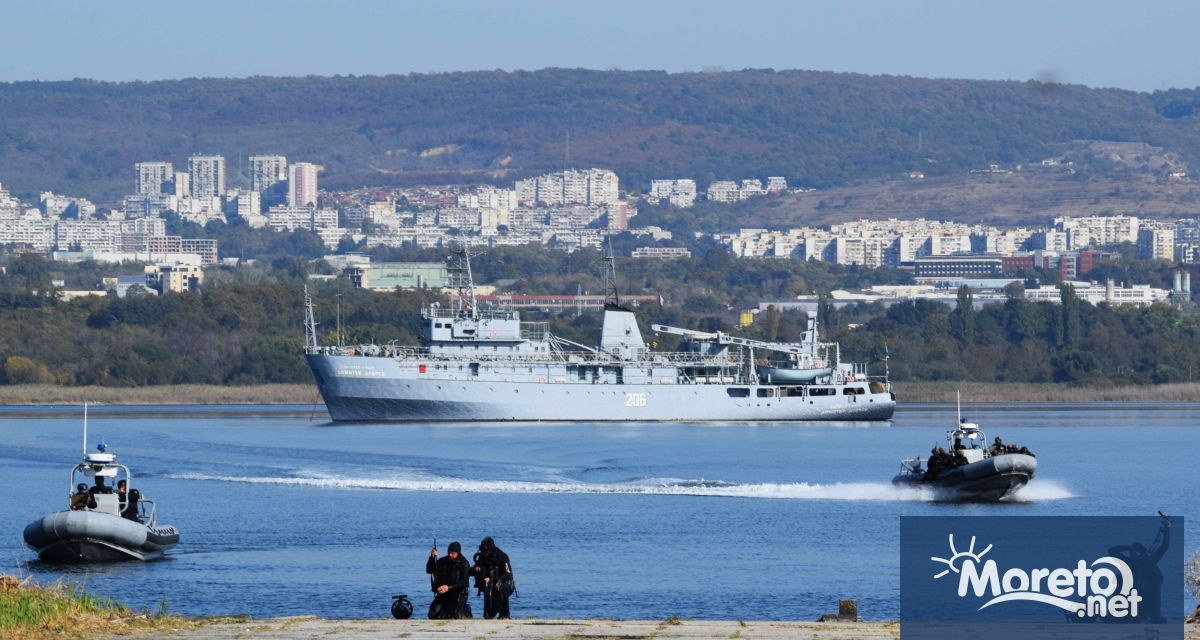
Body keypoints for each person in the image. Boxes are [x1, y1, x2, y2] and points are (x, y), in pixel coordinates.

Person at [426, 541, 472, 619]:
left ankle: (465, 609)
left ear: (457, 553)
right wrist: (432, 558)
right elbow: (430, 570)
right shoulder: (443, 561)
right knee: (432, 615)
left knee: (451, 616)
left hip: (458, 593)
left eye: (453, 553)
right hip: (444, 593)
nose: (450, 555)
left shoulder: (464, 563)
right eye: (449, 553)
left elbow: (464, 581)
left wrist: (448, 587)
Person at [472, 537, 514, 619]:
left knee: (501, 588)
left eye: (485, 550)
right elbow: (476, 568)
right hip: (489, 585)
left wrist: (492, 579)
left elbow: (508, 575)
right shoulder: (482, 556)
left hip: (505, 583)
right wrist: (476, 569)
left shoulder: (501, 556)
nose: (484, 552)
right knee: (488, 616)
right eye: (482, 550)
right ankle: (493, 611)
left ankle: (505, 614)